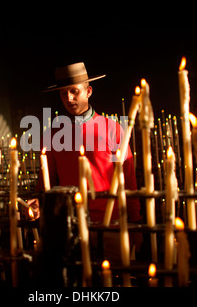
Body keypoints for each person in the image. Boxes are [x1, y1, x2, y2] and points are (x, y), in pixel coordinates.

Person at [32, 62, 141, 262]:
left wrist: (135, 225)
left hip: (112, 225)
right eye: (63, 93)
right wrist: (38, 203)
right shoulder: (52, 135)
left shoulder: (113, 129)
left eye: (74, 91)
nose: (68, 98)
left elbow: (129, 180)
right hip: (69, 227)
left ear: (89, 91)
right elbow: (46, 185)